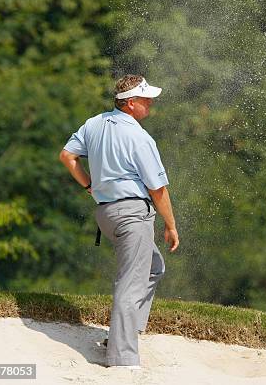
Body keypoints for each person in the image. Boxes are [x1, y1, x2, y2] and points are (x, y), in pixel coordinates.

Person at [59, 74, 180, 368]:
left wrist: (89, 186)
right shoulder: (140, 137)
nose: (150, 103)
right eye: (145, 99)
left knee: (152, 267)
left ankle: (124, 333)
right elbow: (157, 189)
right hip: (131, 215)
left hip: (106, 214)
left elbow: (67, 156)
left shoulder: (94, 123)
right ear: (130, 104)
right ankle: (123, 358)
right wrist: (171, 225)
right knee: (131, 282)